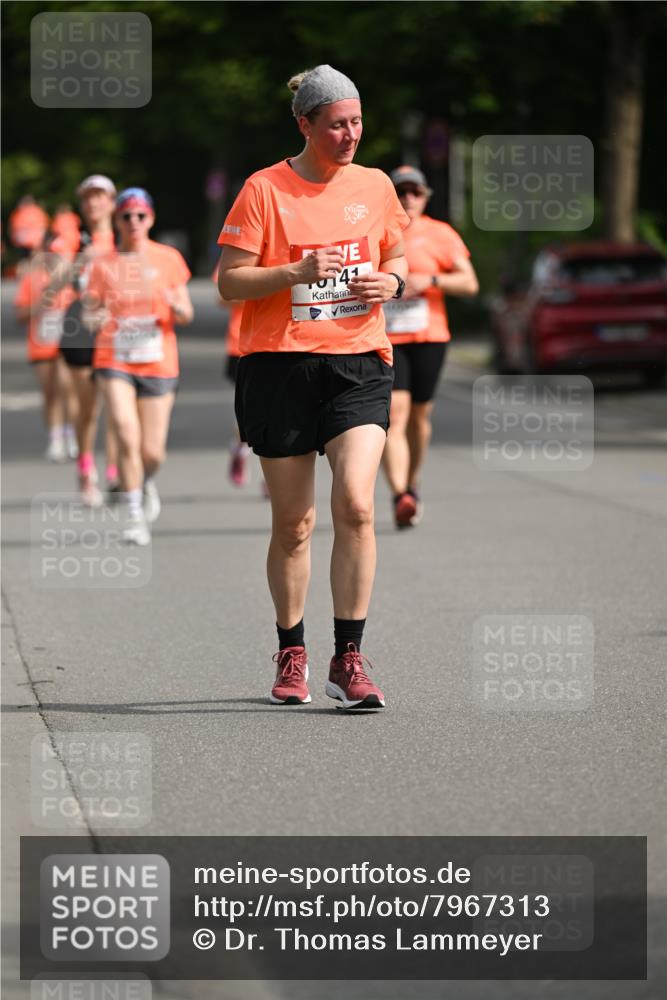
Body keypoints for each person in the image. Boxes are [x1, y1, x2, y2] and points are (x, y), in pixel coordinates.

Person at [218, 65, 409, 710]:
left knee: (356, 504)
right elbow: (230, 282)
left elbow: (396, 254)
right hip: (278, 366)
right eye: (337, 124)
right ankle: (291, 649)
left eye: (357, 122)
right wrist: (294, 270)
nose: (351, 134)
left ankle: (348, 657)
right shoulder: (263, 189)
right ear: (305, 125)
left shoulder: (376, 185)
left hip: (358, 362)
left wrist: (394, 282)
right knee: (295, 525)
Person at [85, 187, 193, 545]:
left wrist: (177, 307)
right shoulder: (103, 263)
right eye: (126, 215)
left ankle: (145, 482)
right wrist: (97, 315)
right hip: (114, 358)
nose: (133, 221)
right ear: (116, 220)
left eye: (140, 215)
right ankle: (133, 516)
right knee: (126, 435)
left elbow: (187, 312)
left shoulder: (168, 259)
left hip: (159, 361)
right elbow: (87, 314)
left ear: (151, 219)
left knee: (152, 451)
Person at [381, 165, 479, 527]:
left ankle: (412, 482)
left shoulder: (441, 234)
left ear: (425, 197)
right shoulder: (376, 232)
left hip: (429, 336)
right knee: (394, 415)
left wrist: (430, 279)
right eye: (401, 191)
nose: (408, 199)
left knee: (419, 419)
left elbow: (470, 283)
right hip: (386, 338)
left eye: (415, 192)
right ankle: (400, 496)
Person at [46, 175, 120, 506]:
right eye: (88, 197)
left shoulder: (124, 235)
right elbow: (50, 288)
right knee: (88, 408)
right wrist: (80, 260)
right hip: (80, 325)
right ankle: (86, 469)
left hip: (117, 325)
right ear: (82, 203)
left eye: (100, 196)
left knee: (119, 404)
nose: (94, 203)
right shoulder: (69, 238)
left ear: (112, 201)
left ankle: (116, 472)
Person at [14, 244, 79, 461]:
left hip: (67, 343)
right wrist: (40, 305)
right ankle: (55, 439)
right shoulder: (31, 279)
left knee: (67, 388)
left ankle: (71, 436)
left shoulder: (74, 280)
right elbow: (20, 315)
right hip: (41, 344)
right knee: (50, 392)